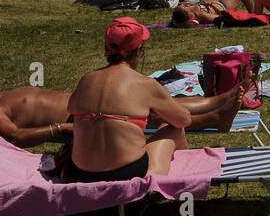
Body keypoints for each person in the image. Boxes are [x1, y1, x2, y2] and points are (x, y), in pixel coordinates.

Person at [0, 73, 242, 148]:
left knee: (151, 104)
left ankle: (217, 103)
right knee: (146, 109)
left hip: (82, 106)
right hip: (80, 118)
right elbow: (15, 137)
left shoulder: (0, 95)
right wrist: (59, 130)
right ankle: (215, 117)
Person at [64, 18, 191, 181]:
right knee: (173, 129)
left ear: (106, 48)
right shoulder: (145, 84)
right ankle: (175, 181)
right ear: (138, 49)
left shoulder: (86, 79)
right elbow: (183, 120)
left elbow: (71, 108)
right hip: (128, 172)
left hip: (81, 173)